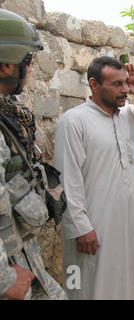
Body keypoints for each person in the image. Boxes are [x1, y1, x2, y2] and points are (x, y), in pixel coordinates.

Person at [54, 56, 134, 299]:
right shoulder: (74, 121)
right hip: (96, 226)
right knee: (89, 284)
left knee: (131, 280)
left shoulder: (129, 115)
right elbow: (68, 178)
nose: (125, 90)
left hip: (130, 224)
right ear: (94, 85)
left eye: (126, 83)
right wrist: (80, 227)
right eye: (116, 84)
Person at [0, 9, 66, 300]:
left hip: (20, 253)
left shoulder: (9, 114)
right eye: (27, 60)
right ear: (6, 64)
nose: (29, 70)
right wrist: (4, 280)